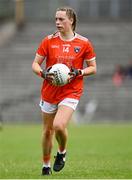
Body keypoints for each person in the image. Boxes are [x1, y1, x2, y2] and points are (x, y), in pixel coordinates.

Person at [32, 6, 97, 175]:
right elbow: (35, 64)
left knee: (59, 125)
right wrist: (43, 73)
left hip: (71, 91)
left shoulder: (84, 43)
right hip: (49, 91)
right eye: (56, 19)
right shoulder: (48, 40)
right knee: (47, 131)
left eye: (61, 19)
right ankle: (46, 166)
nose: (57, 22)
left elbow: (93, 68)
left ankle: (62, 152)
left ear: (71, 20)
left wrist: (79, 72)